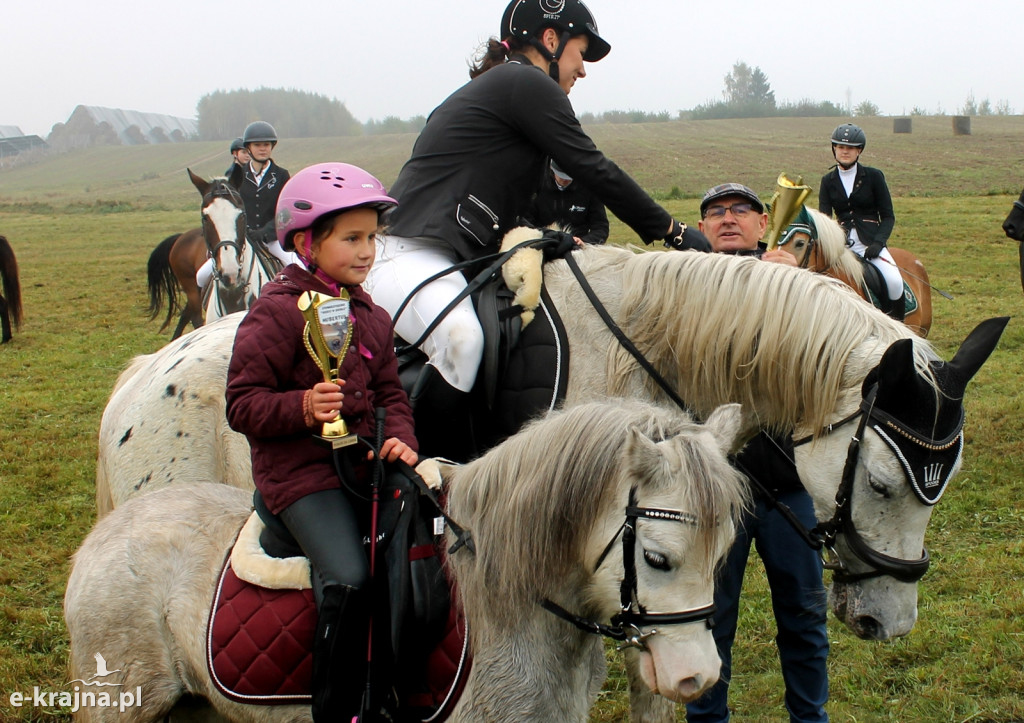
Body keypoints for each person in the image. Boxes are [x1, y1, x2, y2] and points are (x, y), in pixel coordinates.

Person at [365, 0, 710, 457]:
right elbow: (592, 167)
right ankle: (428, 471)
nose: (582, 71)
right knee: (462, 342)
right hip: (409, 252)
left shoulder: (503, 89)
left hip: (450, 255)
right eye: (580, 54)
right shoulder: (522, 81)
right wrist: (674, 231)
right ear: (551, 40)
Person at [225, 163, 418, 722]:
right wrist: (302, 407)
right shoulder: (275, 312)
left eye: (372, 239)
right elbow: (241, 403)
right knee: (352, 578)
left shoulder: (372, 316)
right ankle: (337, 709)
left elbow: (391, 395)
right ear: (308, 243)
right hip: (300, 477)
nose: (366, 252)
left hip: (362, 469)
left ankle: (394, 685)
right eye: (352, 238)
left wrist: (400, 440)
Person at [687, 183, 829, 723]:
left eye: (740, 210)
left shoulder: (797, 285)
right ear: (701, 229)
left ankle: (810, 719)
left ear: (764, 221)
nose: (727, 219)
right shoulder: (686, 286)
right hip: (714, 492)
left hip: (790, 487)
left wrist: (790, 286)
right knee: (708, 623)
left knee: (804, 619)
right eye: (715, 212)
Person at [196, 121, 296, 294]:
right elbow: (227, 211)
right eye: (257, 145)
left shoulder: (281, 175)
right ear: (248, 147)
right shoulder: (236, 176)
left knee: (298, 268)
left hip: (271, 240)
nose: (263, 149)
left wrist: (265, 232)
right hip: (242, 240)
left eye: (266, 145)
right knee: (201, 276)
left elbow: (284, 212)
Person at [818, 123, 903, 320]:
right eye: (840, 147)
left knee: (894, 281)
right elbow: (825, 219)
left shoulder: (873, 176)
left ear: (859, 150)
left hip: (870, 243)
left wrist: (878, 243)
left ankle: (898, 326)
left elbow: (888, 216)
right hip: (841, 246)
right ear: (834, 149)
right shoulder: (828, 180)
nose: (844, 151)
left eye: (850, 148)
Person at [527, 158, 609, 245]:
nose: (565, 180)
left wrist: (585, 241)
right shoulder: (536, 187)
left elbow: (601, 226)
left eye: (570, 176)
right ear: (552, 169)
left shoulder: (589, 189)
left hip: (579, 248)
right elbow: (526, 222)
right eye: (561, 176)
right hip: (544, 243)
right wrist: (548, 237)